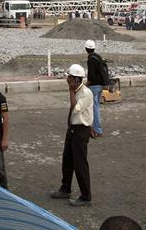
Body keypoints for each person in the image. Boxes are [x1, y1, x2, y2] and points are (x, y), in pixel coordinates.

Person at [50, 63, 93, 207]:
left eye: (70, 78)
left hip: (81, 130)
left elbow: (75, 108)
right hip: (73, 129)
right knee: (67, 160)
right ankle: (65, 188)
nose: (68, 80)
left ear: (77, 80)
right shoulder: (77, 90)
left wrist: (70, 91)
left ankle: (86, 196)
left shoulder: (85, 93)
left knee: (80, 164)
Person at [85, 39, 108, 138]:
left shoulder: (91, 59)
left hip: (94, 86)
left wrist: (87, 84)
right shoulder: (98, 57)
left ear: (86, 49)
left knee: (94, 108)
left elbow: (91, 75)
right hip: (100, 86)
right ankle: (94, 128)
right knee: (96, 106)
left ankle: (97, 130)